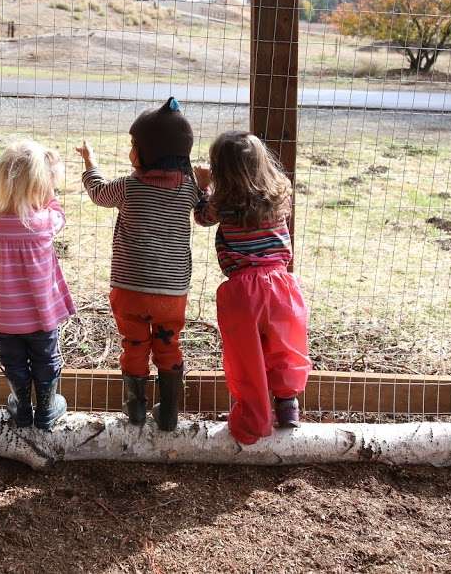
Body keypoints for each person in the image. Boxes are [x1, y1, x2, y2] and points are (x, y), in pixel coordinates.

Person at [76, 97, 201, 430]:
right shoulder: (190, 189)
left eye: (134, 145)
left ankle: (135, 411)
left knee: (134, 344)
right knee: (168, 344)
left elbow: (98, 193)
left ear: (147, 153)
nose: (131, 151)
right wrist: (209, 181)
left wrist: (90, 163)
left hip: (129, 290)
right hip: (172, 292)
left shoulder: (130, 187)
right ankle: (170, 413)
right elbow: (206, 215)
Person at [194, 130, 312, 444]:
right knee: (284, 345)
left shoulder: (222, 203)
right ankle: (288, 406)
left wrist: (202, 184)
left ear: (221, 170)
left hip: (242, 291)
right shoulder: (280, 193)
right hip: (280, 285)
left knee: (246, 355)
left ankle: (252, 415)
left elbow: (201, 217)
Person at [0, 140, 75, 430]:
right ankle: (47, 409)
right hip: (40, 316)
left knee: (14, 362)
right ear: (41, 185)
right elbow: (57, 212)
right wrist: (48, 193)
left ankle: (22, 408)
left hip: (4, 317)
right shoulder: (46, 221)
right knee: (46, 358)